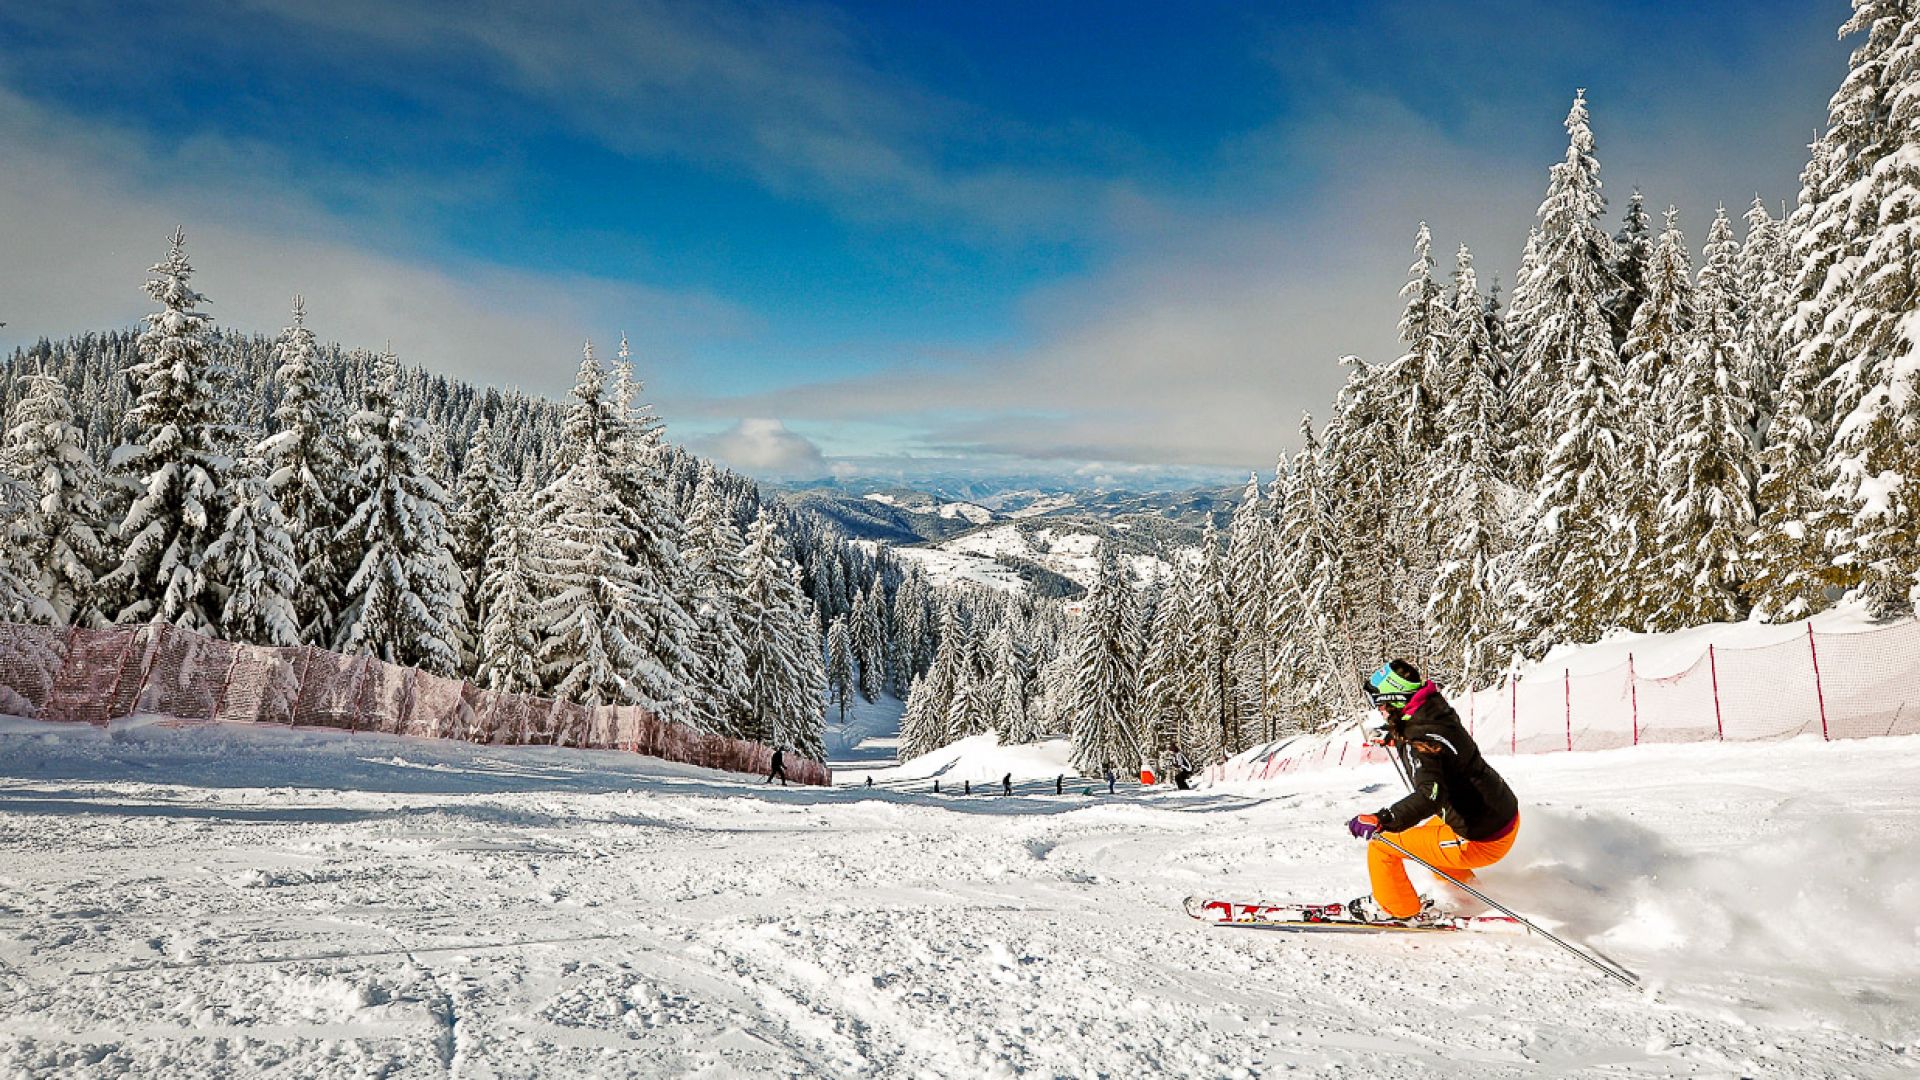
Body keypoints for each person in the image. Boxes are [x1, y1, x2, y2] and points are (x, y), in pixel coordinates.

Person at [1345, 659, 1519, 925]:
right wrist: (1396, 736)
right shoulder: (1435, 710)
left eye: (1380, 703)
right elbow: (1435, 743)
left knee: (1383, 844)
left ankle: (1395, 908)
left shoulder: (1421, 740)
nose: (1378, 709)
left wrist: (1382, 819)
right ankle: (1467, 896)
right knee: (1426, 839)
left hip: (1481, 836)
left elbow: (1430, 794)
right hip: (1498, 812)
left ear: (1396, 700)